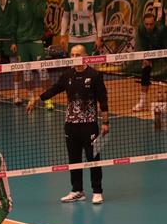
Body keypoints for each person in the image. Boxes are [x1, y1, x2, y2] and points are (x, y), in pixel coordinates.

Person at [27, 45, 109, 204]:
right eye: (72, 54)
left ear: (85, 56)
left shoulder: (95, 75)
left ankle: (97, 191)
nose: (74, 57)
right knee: (74, 159)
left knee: (94, 158)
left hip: (89, 125)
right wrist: (36, 99)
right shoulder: (67, 75)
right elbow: (54, 89)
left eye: (78, 54)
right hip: (70, 126)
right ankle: (77, 190)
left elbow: (103, 100)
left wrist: (105, 122)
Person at [8, 0, 49, 105]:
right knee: (26, 72)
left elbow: (40, 15)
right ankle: (31, 98)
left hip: (36, 40)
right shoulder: (17, 3)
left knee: (42, 70)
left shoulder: (41, 0)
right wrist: (13, 41)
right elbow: (13, 23)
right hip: (21, 42)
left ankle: (47, 99)